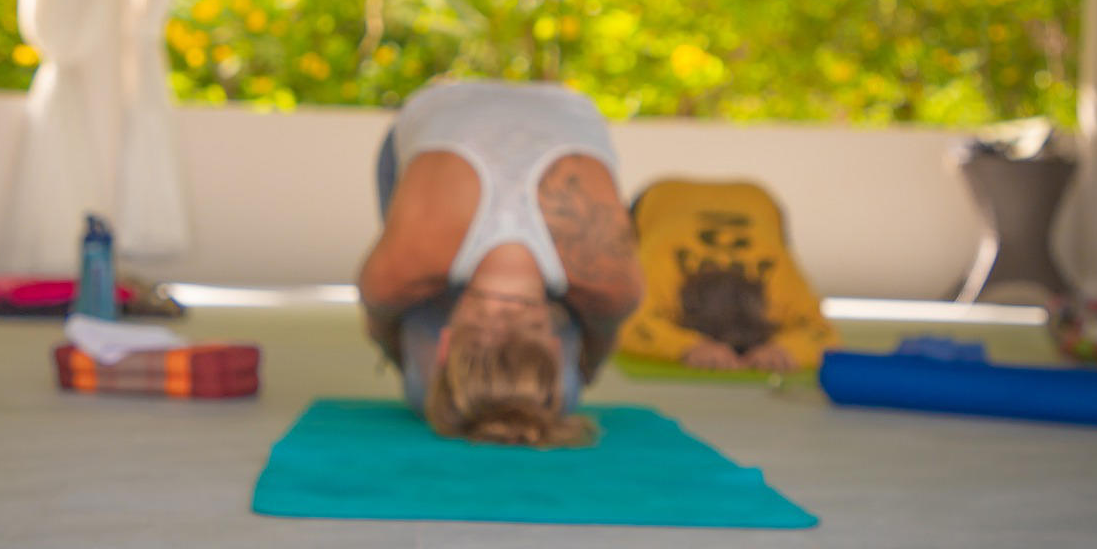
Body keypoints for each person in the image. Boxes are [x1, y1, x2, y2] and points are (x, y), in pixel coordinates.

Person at [357, 80, 643, 447]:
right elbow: (384, 334)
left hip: (522, 109)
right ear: (445, 345)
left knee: (445, 391)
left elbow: (383, 335)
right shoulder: (403, 268)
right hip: (453, 111)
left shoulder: (613, 283)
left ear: (444, 345)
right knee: (559, 395)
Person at [618, 178, 837, 372]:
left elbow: (823, 332)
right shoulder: (660, 264)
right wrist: (687, 347)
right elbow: (622, 320)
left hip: (752, 199)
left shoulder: (777, 276)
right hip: (665, 199)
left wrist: (784, 350)